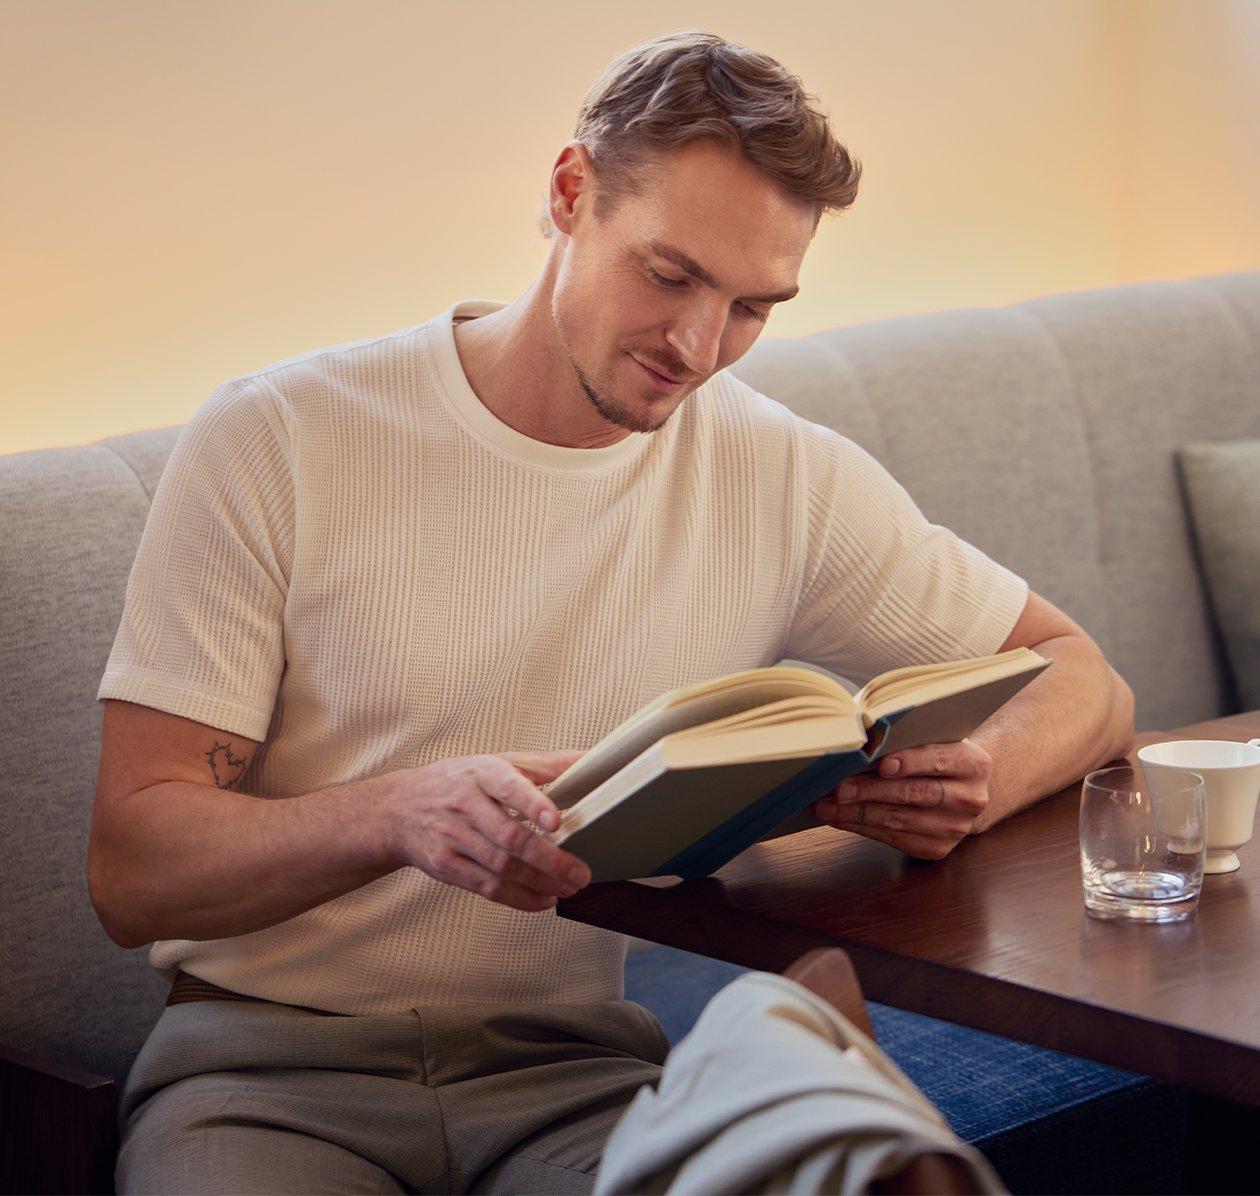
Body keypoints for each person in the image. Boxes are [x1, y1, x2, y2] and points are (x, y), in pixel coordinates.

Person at [89, 28, 1135, 1194]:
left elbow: (1080, 672)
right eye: (671, 274)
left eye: (751, 306)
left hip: (570, 1076)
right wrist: (397, 813)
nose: (697, 347)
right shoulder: (279, 437)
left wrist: (982, 770)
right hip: (260, 1073)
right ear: (569, 192)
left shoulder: (779, 475)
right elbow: (134, 867)